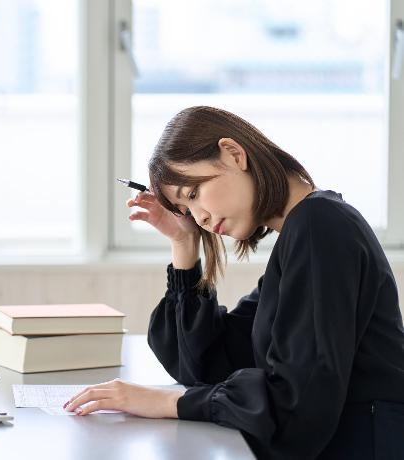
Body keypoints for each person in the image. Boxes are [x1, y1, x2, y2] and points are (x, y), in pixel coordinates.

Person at [63, 106, 404, 459]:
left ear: (234, 153)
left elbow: (299, 404)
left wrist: (166, 401)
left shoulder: (319, 226)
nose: (201, 219)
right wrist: (184, 245)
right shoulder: (300, 234)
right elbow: (208, 363)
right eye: (186, 210)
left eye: (193, 194)